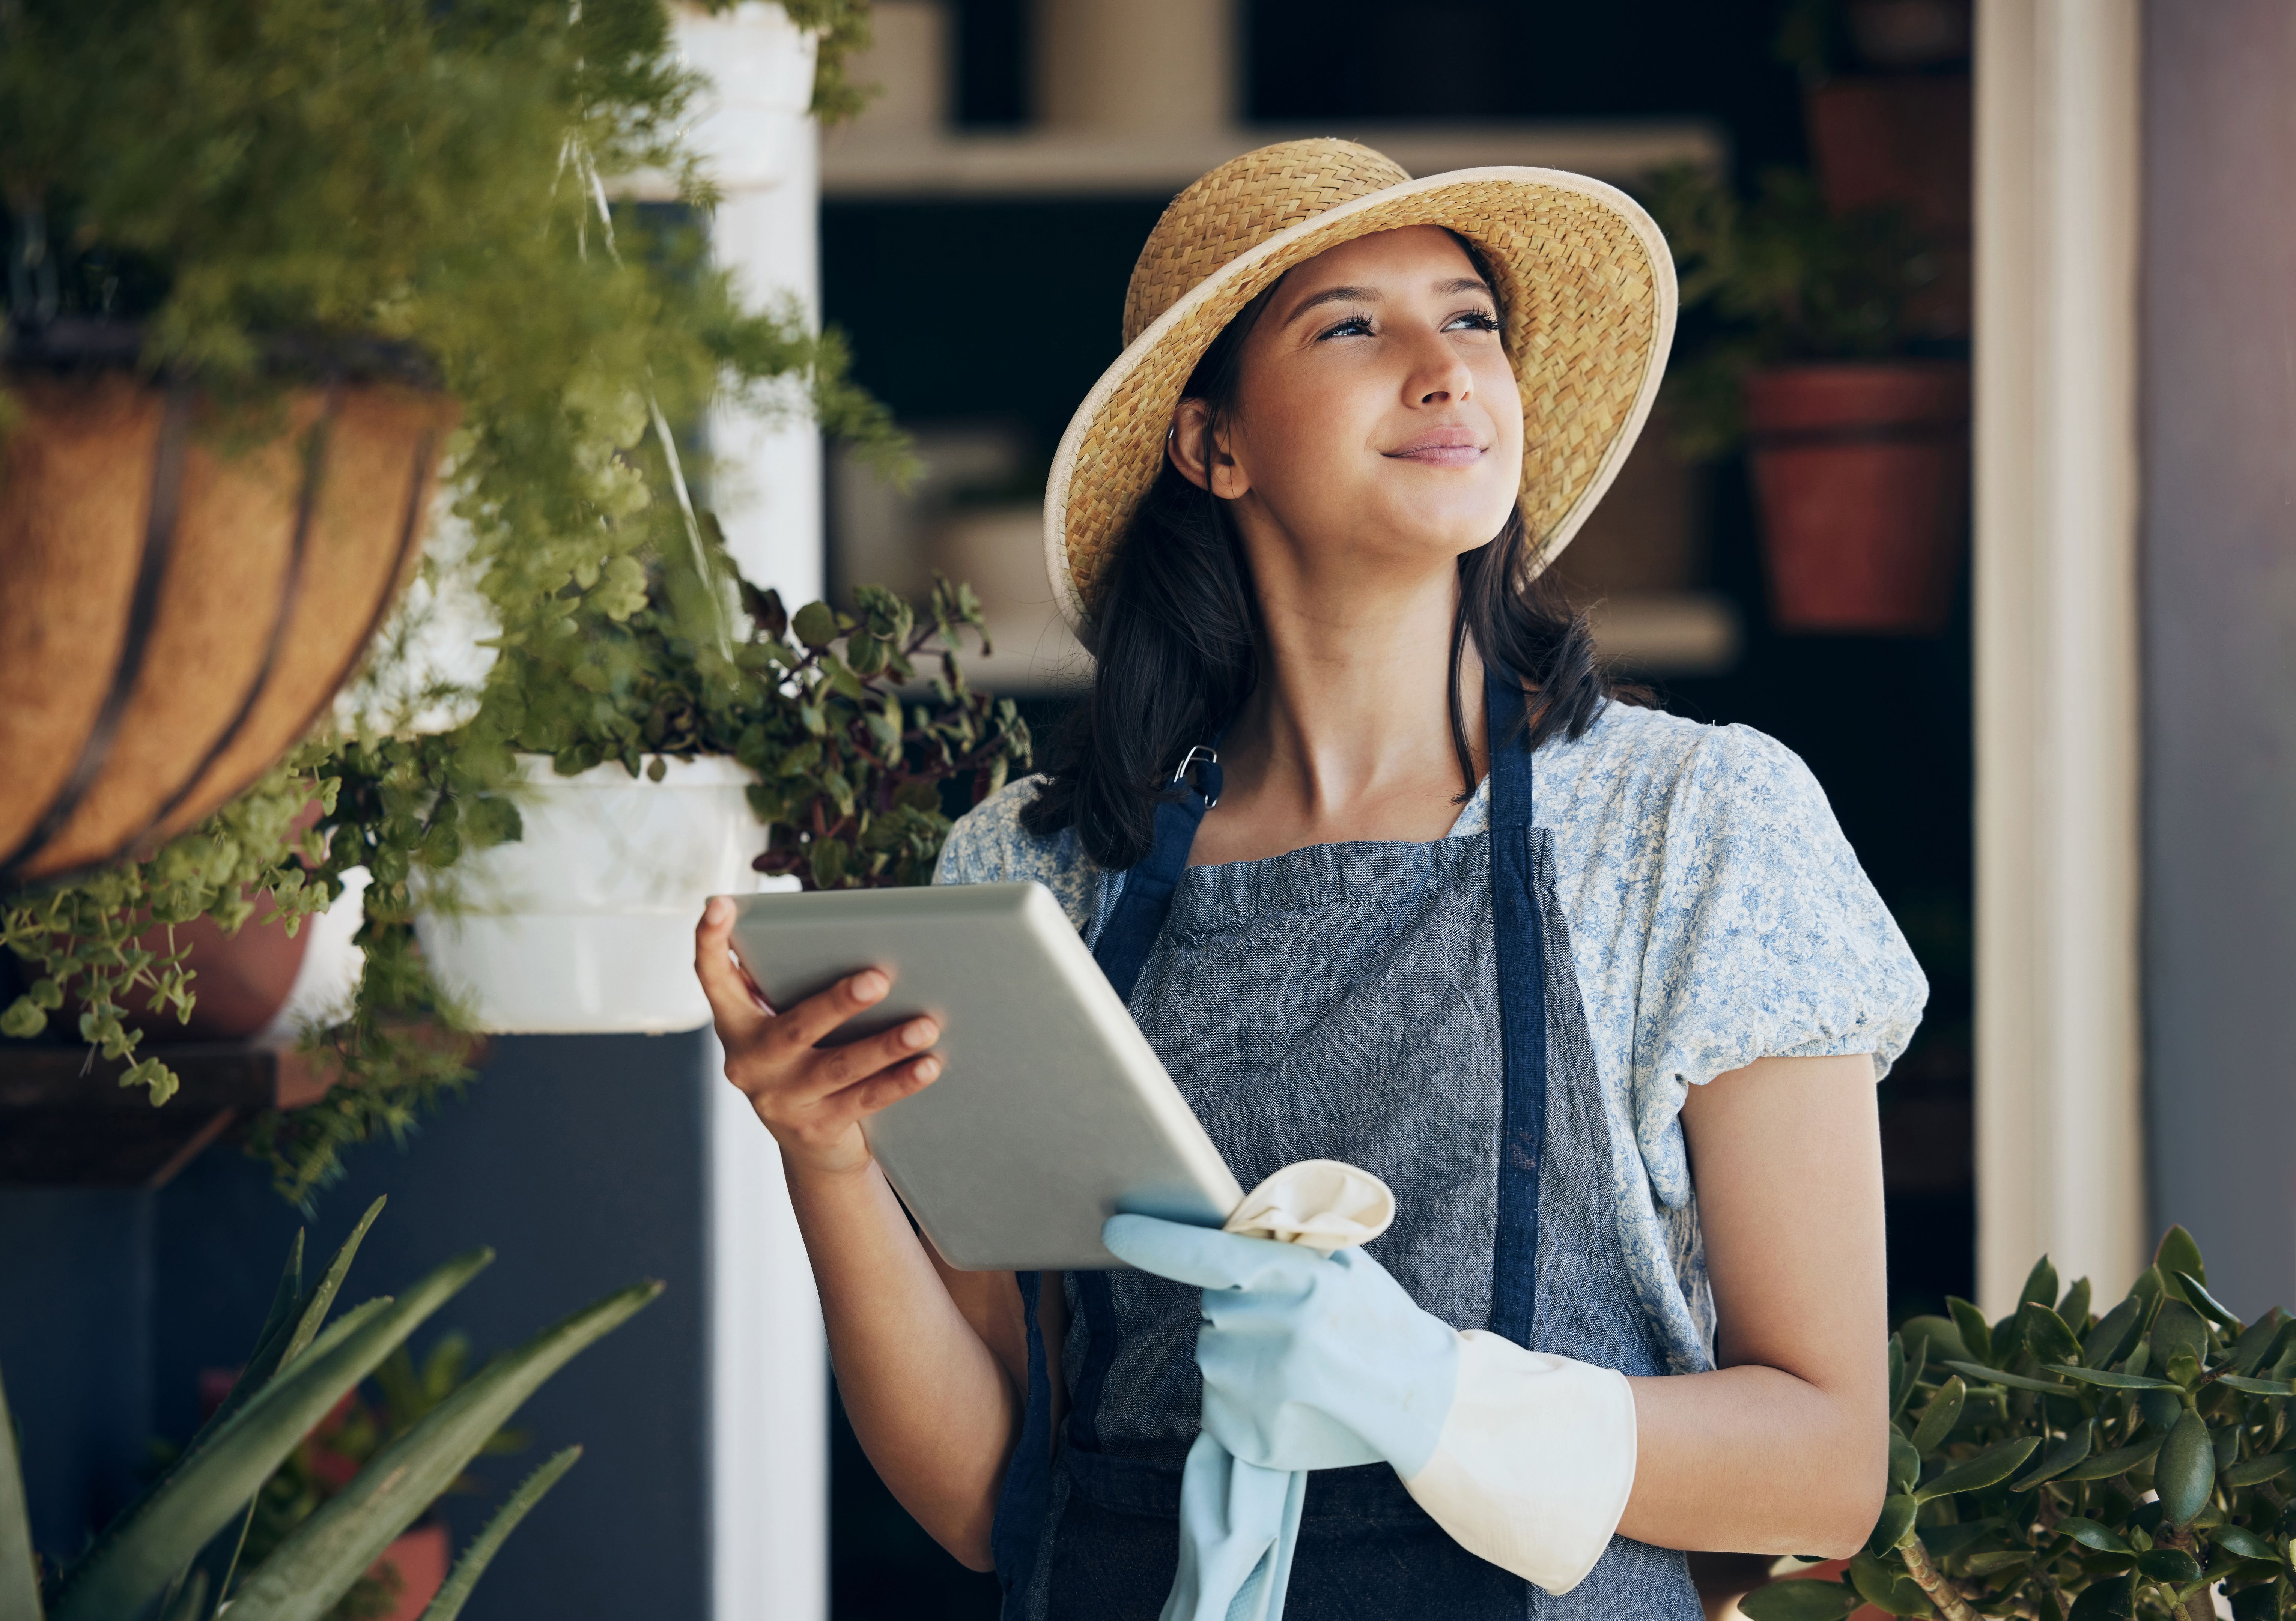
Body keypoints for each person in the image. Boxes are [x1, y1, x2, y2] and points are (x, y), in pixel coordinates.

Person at [694, 139, 1927, 1619]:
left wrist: (1433, 1397)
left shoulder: (1695, 828)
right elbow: (992, 1495)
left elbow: (1826, 1468)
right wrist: (824, 1160)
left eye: (1471, 318)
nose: (1442, 367)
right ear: (1212, 445)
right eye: (1351, 324)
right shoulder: (1037, 875)